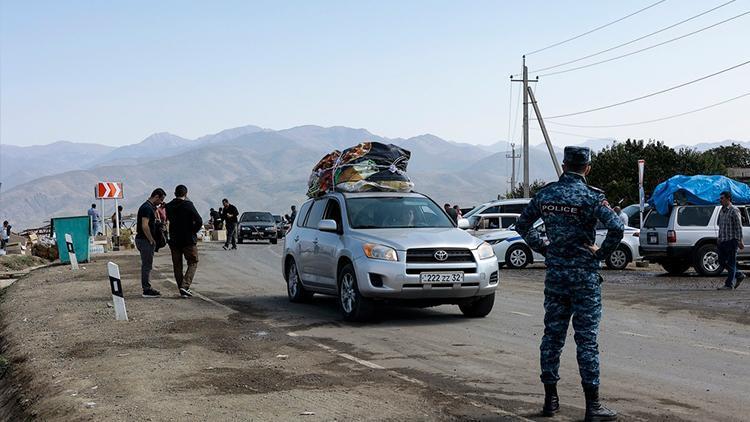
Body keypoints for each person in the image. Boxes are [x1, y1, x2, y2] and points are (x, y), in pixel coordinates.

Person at [515, 146, 623, 421]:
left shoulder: (547, 194)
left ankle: (550, 400)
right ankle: (593, 406)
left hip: (556, 275)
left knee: (552, 338)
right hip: (584, 276)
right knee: (586, 341)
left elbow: (522, 225)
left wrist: (545, 249)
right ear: (587, 167)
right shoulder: (591, 197)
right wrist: (602, 253)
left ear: (563, 165)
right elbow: (617, 227)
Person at [166, 185, 203, 298]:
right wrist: (193, 231)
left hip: (174, 240)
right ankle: (185, 286)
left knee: (177, 265)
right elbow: (199, 220)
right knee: (193, 261)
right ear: (186, 194)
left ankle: (181, 288)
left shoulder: (169, 206)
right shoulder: (188, 204)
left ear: (174, 193)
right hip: (188, 240)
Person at [135, 188, 167, 298]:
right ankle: (146, 289)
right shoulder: (146, 208)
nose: (161, 203)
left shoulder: (149, 207)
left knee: (147, 265)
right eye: (161, 199)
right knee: (147, 265)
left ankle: (147, 287)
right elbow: (144, 225)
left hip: (144, 240)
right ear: (156, 197)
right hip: (144, 240)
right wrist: (150, 239)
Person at [717, 191, 745, 290]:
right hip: (723, 240)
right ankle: (739, 275)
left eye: (722, 198)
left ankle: (729, 285)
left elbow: (738, 227)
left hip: (732, 241)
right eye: (720, 198)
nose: (720, 200)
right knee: (721, 261)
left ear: (728, 199)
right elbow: (721, 226)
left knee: (731, 262)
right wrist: (719, 238)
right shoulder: (722, 210)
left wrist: (740, 240)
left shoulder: (734, 210)